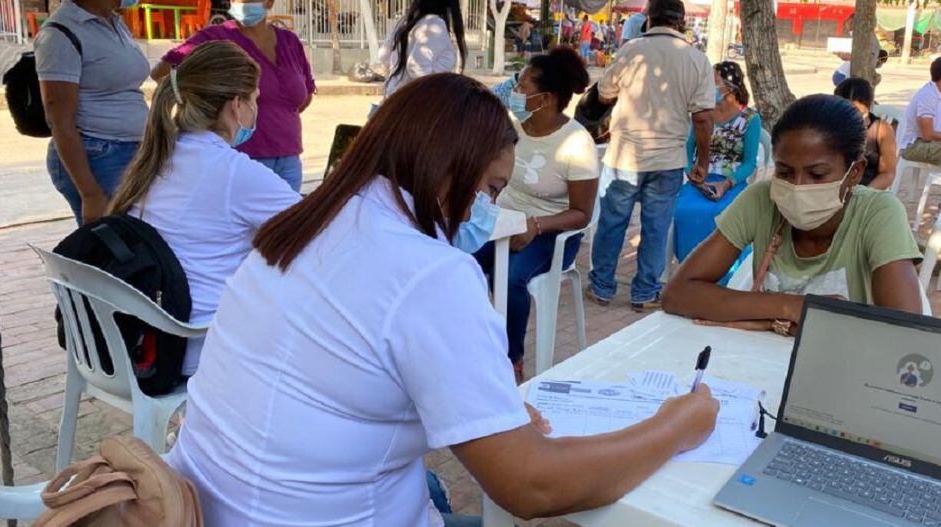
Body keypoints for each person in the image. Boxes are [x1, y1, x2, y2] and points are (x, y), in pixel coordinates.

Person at [165, 72, 719, 527]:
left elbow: (336, 376)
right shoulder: (431, 273)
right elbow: (531, 485)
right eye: (491, 189)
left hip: (221, 503)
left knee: (428, 480)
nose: (486, 207)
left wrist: (474, 405)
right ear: (447, 170)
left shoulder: (306, 225)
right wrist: (676, 425)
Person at [110, 41, 300, 375]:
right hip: (198, 346)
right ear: (236, 105)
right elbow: (318, 232)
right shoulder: (232, 172)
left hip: (145, 339)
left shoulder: (158, 155)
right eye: (256, 99)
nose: (257, 109)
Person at [663, 95, 923, 336]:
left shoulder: (878, 213)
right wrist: (792, 307)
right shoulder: (761, 199)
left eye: (817, 174)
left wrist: (766, 313)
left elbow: (904, 329)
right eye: (785, 172)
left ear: (855, 173)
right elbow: (678, 293)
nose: (798, 186)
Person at [587, 0, 715, 311]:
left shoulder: (631, 50)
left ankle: (602, 287)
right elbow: (702, 118)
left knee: (612, 224)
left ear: (649, 19)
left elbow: (604, 95)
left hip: (624, 156)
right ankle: (644, 292)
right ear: (681, 23)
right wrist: (702, 160)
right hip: (669, 160)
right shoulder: (697, 60)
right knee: (656, 228)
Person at [478, 48, 598, 382]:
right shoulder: (514, 128)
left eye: (523, 86)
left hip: (551, 234)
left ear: (546, 98)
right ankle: (473, 342)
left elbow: (581, 213)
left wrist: (536, 225)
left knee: (512, 277)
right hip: (503, 223)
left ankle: (511, 358)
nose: (516, 91)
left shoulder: (577, 143)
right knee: (462, 261)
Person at [152, 0, 316, 192]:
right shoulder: (216, 37)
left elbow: (304, 94)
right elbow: (162, 72)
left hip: (289, 158)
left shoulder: (289, 41)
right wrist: (210, 98)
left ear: (269, 0)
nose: (240, 0)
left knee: (287, 223)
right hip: (239, 159)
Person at [36, 0, 151, 226]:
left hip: (131, 152)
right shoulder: (61, 34)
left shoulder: (114, 22)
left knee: (138, 247)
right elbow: (60, 121)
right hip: (98, 156)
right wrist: (90, 193)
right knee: (116, 252)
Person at [672, 61, 761, 262]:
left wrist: (726, 183)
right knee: (684, 210)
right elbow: (688, 149)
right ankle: (691, 266)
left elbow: (749, 163)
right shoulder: (703, 114)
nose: (708, 87)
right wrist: (691, 173)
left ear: (730, 87)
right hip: (700, 179)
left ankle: (721, 270)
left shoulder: (750, 119)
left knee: (722, 214)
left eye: (713, 82)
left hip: (731, 182)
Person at [378, 0, 467, 99]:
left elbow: (383, 55)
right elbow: (416, 66)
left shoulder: (407, 21)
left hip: (393, 103)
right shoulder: (435, 25)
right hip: (415, 111)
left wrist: (399, 80)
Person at [834, 77, 897, 190]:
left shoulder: (881, 129)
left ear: (869, 106)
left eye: (858, 112)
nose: (851, 117)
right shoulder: (828, 125)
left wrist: (862, 194)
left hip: (867, 190)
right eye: (846, 111)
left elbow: (888, 174)